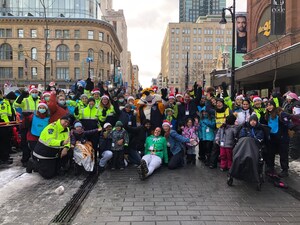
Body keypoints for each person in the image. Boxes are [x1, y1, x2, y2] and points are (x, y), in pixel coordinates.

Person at [13, 85, 40, 167]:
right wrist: (21, 96)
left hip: (36, 124)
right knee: (25, 142)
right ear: (30, 93)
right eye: (33, 92)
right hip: (27, 123)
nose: (34, 93)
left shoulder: (40, 100)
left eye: (36, 92)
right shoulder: (26, 100)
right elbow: (16, 104)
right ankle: (25, 159)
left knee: (36, 142)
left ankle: (36, 158)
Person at [264, 100, 289, 177]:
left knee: (283, 154)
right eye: (267, 105)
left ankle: (285, 170)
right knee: (271, 153)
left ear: (274, 105)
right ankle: (271, 167)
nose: (269, 107)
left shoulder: (280, 114)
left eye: (270, 105)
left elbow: (287, 123)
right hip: (272, 137)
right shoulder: (267, 115)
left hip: (281, 137)